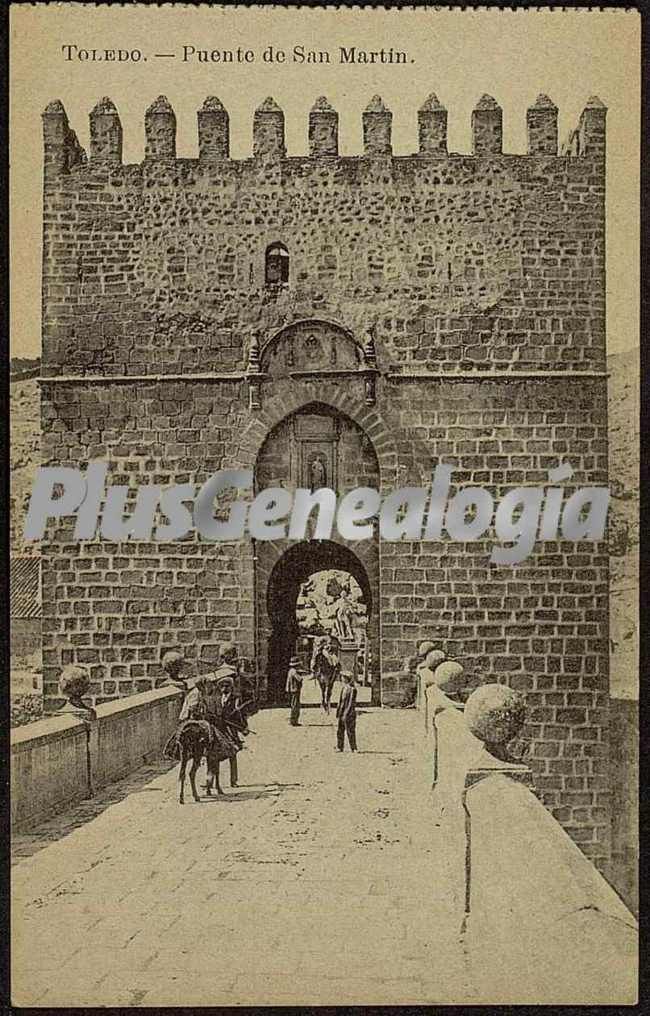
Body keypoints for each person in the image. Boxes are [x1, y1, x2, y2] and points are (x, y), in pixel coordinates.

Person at [336, 672, 358, 752]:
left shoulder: (352, 690)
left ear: (346, 679)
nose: (341, 678)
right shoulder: (343, 688)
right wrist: (338, 712)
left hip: (349, 713)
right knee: (340, 730)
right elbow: (340, 701)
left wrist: (346, 713)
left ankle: (354, 748)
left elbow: (351, 703)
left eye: (343, 677)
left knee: (350, 731)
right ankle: (339, 747)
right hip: (342, 712)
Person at [286, 656, 303, 726]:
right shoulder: (294, 671)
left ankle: (294, 720)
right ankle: (293, 721)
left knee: (294, 705)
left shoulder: (291, 670)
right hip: (295, 690)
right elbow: (299, 679)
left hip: (293, 690)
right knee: (295, 705)